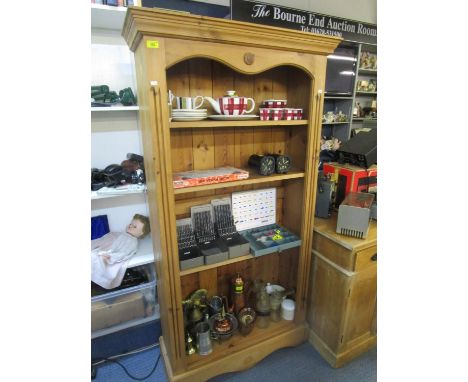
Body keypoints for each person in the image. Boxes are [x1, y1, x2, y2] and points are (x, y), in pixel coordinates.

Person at [91, 214, 150, 289]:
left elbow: (124, 253)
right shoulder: (122, 234)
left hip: (107, 254)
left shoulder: (132, 242)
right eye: (131, 224)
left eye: (134, 227)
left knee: (94, 257)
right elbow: (106, 239)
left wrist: (111, 257)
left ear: (141, 233)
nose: (130, 226)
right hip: (103, 249)